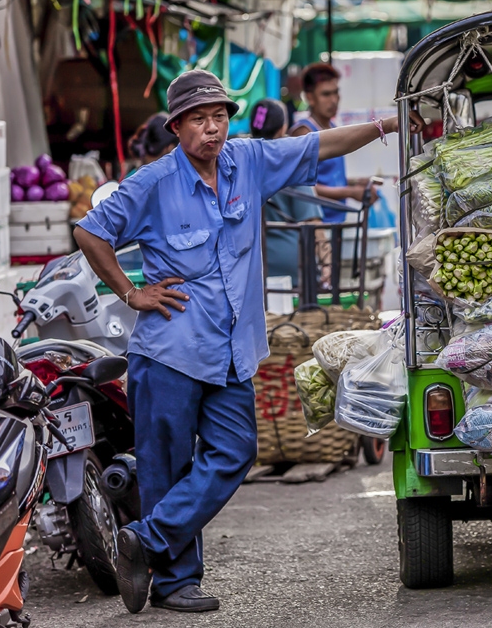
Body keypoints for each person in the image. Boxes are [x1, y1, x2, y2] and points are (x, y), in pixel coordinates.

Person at [73, 69, 424, 615]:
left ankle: (144, 537)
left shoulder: (247, 163)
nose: (210, 129)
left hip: (233, 350)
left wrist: (386, 125)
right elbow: (90, 231)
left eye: (218, 117)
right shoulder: (153, 183)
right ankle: (175, 582)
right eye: (198, 120)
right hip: (170, 352)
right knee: (166, 468)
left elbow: (318, 144)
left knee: (235, 451)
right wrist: (130, 292)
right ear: (176, 127)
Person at [250, 97, 331, 288]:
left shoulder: (241, 159)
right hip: (292, 273)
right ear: (282, 128)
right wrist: (327, 263)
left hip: (252, 270)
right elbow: (312, 221)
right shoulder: (288, 160)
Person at [290, 63, 378, 223]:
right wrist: (350, 192)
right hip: (316, 225)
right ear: (310, 97)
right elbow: (304, 188)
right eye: (326, 94)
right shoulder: (304, 132)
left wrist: (357, 183)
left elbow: (326, 176)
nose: (333, 100)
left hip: (336, 221)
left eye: (336, 92)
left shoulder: (333, 128)